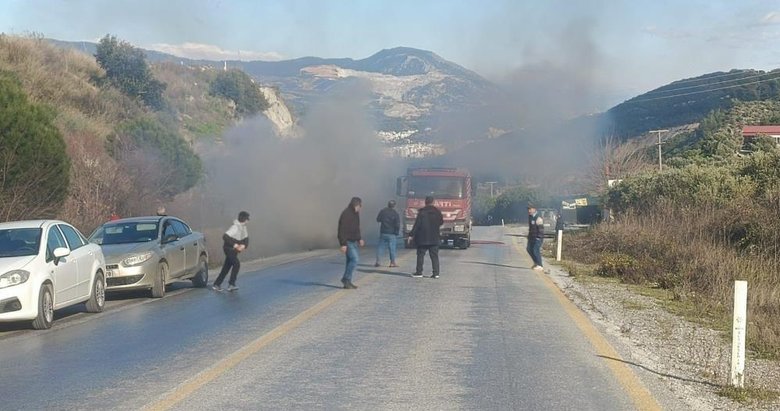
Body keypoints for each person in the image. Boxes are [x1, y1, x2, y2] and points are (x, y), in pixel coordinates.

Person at [212, 211, 250, 292]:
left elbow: (246, 239)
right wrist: (235, 245)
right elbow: (225, 236)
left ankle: (217, 284)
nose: (248, 221)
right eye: (247, 219)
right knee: (236, 264)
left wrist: (244, 246)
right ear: (243, 219)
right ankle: (231, 284)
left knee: (227, 267)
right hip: (229, 249)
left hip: (234, 250)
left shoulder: (243, 228)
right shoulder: (235, 227)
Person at [408, 196, 443, 279]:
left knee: (420, 255)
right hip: (434, 237)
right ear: (433, 202)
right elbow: (441, 222)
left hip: (422, 238)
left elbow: (417, 225)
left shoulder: (422, 212)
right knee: (434, 256)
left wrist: (411, 235)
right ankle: (436, 273)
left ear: (425, 202)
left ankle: (419, 272)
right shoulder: (437, 212)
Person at [338, 197, 364, 289]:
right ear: (356, 205)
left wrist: (359, 239)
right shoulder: (346, 214)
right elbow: (342, 230)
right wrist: (343, 244)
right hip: (348, 241)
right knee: (355, 259)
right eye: (360, 206)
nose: (360, 208)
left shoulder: (356, 214)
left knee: (350, 261)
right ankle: (345, 278)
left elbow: (357, 228)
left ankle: (348, 282)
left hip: (353, 241)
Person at [375, 200, 400, 268]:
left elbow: (378, 219)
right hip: (392, 233)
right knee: (392, 248)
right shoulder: (395, 213)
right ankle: (392, 263)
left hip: (383, 232)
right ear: (394, 206)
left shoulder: (383, 211)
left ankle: (378, 262)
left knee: (380, 247)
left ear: (388, 204)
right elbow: (397, 224)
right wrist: (396, 232)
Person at [527, 204, 544, 270]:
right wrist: (529, 236)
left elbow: (541, 229)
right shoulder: (530, 217)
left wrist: (539, 237)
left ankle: (540, 265)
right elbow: (531, 228)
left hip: (538, 237)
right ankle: (536, 263)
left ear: (534, 209)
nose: (529, 211)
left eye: (530, 209)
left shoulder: (538, 218)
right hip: (531, 237)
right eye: (528, 209)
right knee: (529, 249)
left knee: (535, 250)